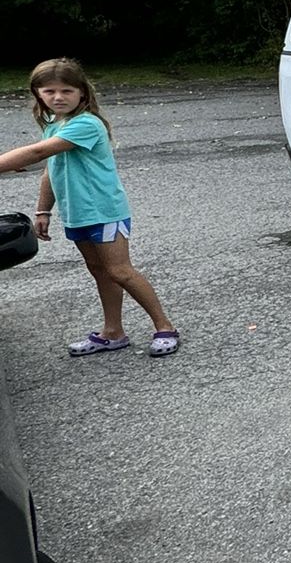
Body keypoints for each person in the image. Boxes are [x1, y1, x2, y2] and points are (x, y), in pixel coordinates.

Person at [0, 58, 180, 358]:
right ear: (38, 94)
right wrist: (43, 210)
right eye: (49, 91)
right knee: (99, 271)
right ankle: (113, 333)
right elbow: (51, 167)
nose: (58, 97)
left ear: (82, 93)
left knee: (120, 271)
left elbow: (37, 153)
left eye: (66, 91)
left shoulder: (86, 124)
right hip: (78, 213)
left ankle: (165, 327)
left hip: (105, 212)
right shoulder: (55, 124)